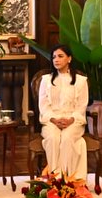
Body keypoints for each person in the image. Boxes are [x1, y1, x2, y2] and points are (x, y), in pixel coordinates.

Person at [38, 44, 90, 176]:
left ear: (69, 59)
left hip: (74, 120)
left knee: (67, 138)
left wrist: (71, 119)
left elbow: (81, 106)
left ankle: (68, 179)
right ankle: (55, 178)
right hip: (51, 120)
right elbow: (43, 106)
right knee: (53, 138)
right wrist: (54, 119)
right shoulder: (46, 80)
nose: (56, 59)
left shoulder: (81, 81)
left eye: (60, 56)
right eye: (54, 57)